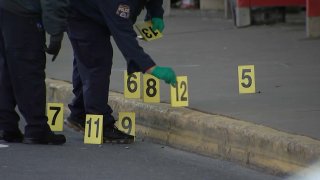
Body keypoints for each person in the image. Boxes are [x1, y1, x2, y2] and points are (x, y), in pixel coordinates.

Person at [65, 0, 177, 144]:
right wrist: (150, 67)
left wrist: (155, 13)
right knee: (96, 62)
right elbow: (124, 37)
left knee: (86, 59)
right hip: (80, 16)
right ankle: (100, 123)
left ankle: (79, 114)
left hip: (94, 8)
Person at [0, 0, 69, 145]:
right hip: (24, 13)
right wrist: (56, 30)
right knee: (28, 69)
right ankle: (36, 128)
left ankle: (5, 124)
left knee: (7, 68)